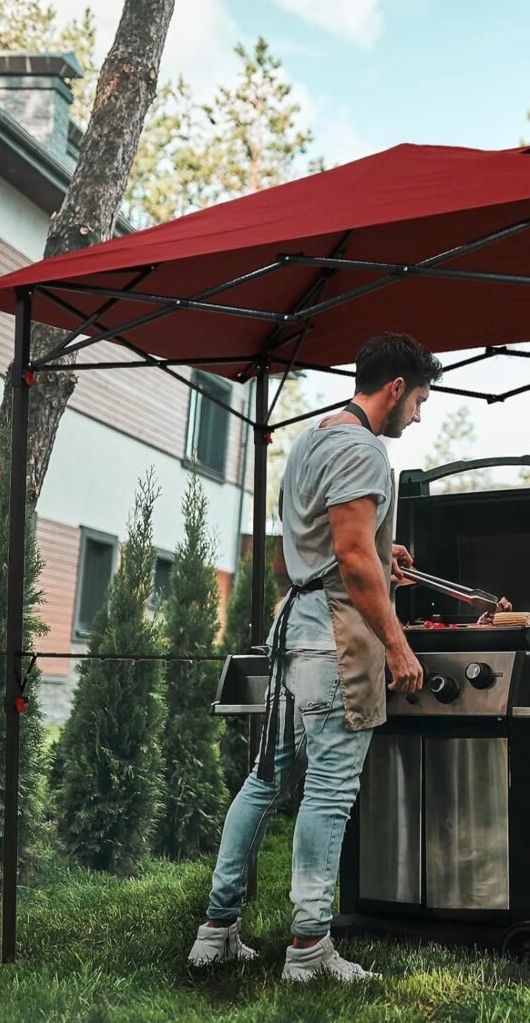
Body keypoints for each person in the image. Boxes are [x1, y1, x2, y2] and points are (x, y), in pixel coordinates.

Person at [188, 332, 442, 980]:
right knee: (328, 792)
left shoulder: (312, 439)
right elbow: (351, 557)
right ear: (394, 388)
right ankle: (308, 949)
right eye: (419, 400)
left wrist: (382, 551)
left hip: (291, 631)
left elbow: (311, 544)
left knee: (265, 781)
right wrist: (396, 643)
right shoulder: (363, 449)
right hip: (333, 638)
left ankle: (216, 930)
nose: (419, 414)